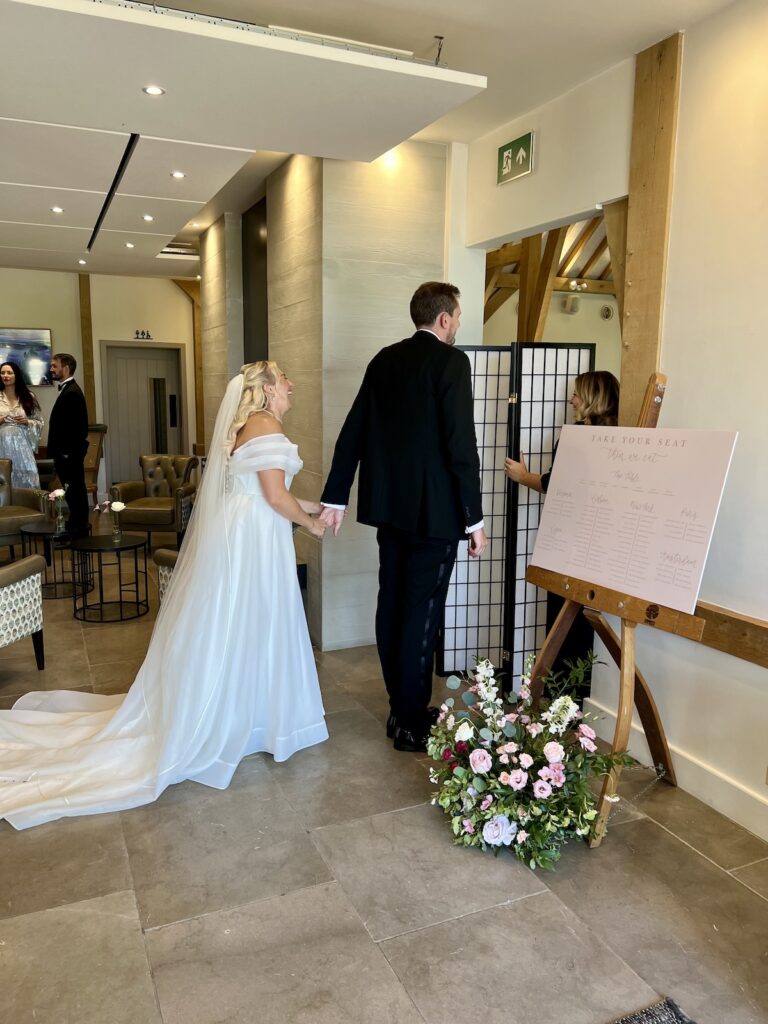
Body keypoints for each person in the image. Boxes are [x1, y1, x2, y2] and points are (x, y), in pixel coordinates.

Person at [0, 361, 328, 830]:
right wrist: (312, 522)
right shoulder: (268, 422)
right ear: (268, 389)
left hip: (247, 531)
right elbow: (276, 498)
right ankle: (248, 718)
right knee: (257, 622)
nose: (291, 384)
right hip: (258, 536)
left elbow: (263, 493)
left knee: (238, 623)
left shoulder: (243, 426)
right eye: (285, 378)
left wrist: (320, 508)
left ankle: (244, 712)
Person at [320, 281, 487, 754]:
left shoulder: (383, 360)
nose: (458, 324)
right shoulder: (452, 362)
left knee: (391, 604)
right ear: (444, 319)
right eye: (457, 316)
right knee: (422, 613)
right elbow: (461, 447)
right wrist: (473, 520)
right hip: (435, 518)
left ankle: (401, 708)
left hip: (389, 513)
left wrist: (336, 496)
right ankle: (412, 722)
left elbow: (352, 431)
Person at [504, 370, 620, 693]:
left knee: (560, 622)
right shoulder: (620, 437)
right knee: (583, 622)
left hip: (566, 543)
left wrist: (522, 475)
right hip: (599, 545)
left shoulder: (576, 437)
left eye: (577, 395)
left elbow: (557, 486)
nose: (571, 400)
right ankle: (578, 699)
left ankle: (557, 698)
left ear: (593, 399)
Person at [48, 353, 89, 532]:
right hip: (66, 454)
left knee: (75, 494)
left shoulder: (72, 393)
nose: (51, 369)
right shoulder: (69, 389)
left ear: (66, 368)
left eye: (54, 366)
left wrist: (66, 452)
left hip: (68, 455)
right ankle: (77, 529)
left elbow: (78, 428)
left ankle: (78, 532)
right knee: (73, 494)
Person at [0, 361, 43, 488]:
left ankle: (27, 506)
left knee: (28, 478)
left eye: (9, 373)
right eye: (2, 373)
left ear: (16, 375)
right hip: (1, 444)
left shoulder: (29, 396)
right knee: (3, 479)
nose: (5, 376)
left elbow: (39, 422)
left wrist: (27, 422)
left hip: (22, 447)